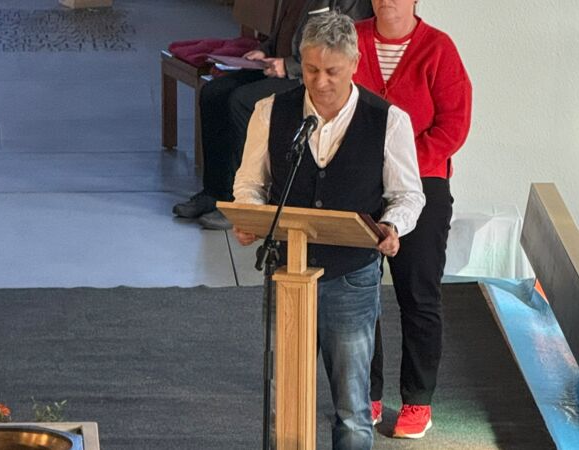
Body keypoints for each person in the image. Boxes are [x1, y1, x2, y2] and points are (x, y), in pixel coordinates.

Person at [232, 11, 425, 449]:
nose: (320, 82)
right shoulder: (270, 112)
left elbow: (408, 195)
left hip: (351, 275)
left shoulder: (389, 120)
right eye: (311, 69)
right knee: (285, 402)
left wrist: (392, 226)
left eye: (332, 71)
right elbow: (250, 183)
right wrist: (251, 215)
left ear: (354, 63)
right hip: (288, 273)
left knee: (353, 410)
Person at [352, 0, 473, 439]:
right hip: (358, 182)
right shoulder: (353, 39)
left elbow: (453, 127)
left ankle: (418, 400)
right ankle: (366, 394)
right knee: (357, 294)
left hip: (424, 182)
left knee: (419, 295)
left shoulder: (439, 48)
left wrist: (399, 163)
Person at [172, 0, 373, 230]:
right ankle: (214, 192)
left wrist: (289, 65)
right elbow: (282, 33)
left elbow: (343, 47)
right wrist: (265, 50)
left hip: (307, 77)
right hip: (275, 67)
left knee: (241, 102)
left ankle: (236, 202)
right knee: (213, 93)